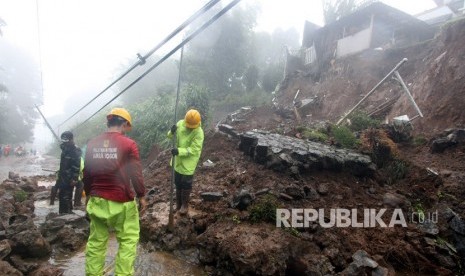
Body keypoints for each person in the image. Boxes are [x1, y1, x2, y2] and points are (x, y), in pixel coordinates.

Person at [83, 107, 147, 276]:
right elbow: (136, 172)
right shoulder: (129, 144)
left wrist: (88, 194)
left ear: (108, 122)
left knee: (96, 243)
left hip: (97, 199)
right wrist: (141, 196)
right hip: (122, 202)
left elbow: (87, 173)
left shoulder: (92, 143)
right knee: (127, 241)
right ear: (124, 124)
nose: (126, 131)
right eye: (127, 127)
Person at [168, 109, 204, 216]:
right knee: (177, 182)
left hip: (189, 162)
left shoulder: (199, 133)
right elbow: (170, 136)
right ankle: (178, 205)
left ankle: (184, 205)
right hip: (178, 160)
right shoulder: (179, 124)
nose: (189, 127)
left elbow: (193, 150)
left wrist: (179, 151)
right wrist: (171, 131)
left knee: (186, 183)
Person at [54, 131, 81, 214]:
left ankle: (66, 214)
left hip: (69, 177)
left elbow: (76, 165)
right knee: (62, 195)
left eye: (67, 140)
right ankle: (65, 212)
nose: (65, 142)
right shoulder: (65, 148)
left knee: (66, 195)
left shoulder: (75, 150)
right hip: (62, 176)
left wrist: (74, 178)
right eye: (63, 140)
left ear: (71, 139)